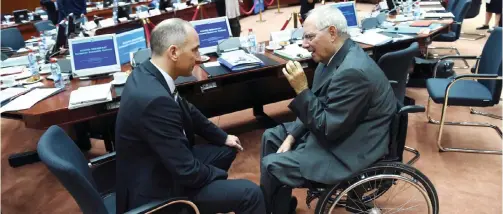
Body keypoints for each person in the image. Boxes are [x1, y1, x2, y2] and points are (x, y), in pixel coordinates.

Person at [115, 18, 266, 214]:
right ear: (173, 52)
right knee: (251, 193)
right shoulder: (154, 101)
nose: (199, 56)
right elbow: (187, 171)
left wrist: (223, 136)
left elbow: (187, 109)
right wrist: (217, 175)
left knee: (227, 149)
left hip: (162, 162)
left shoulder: (147, 71)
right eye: (194, 50)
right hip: (157, 189)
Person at [259, 5, 397, 214]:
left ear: (332, 33)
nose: (304, 44)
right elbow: (318, 104)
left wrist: (301, 90)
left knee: (272, 165)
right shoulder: (332, 57)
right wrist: (292, 136)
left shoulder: (352, 72)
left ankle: (269, 210)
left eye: (309, 37)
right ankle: (279, 207)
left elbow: (327, 129)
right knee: (271, 137)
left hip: (351, 148)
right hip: (341, 128)